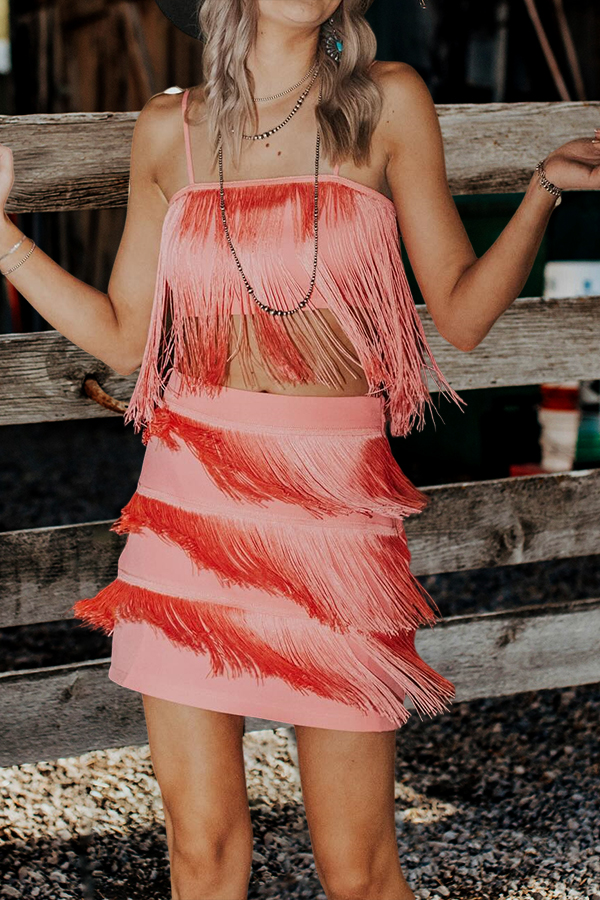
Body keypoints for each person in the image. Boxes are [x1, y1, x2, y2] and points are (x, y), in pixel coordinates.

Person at [1, 1, 599, 897]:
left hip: (336, 513)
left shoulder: (389, 101)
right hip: (189, 508)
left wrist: (544, 189)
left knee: (358, 871)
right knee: (202, 853)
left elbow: (464, 316)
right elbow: (125, 338)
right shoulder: (170, 127)